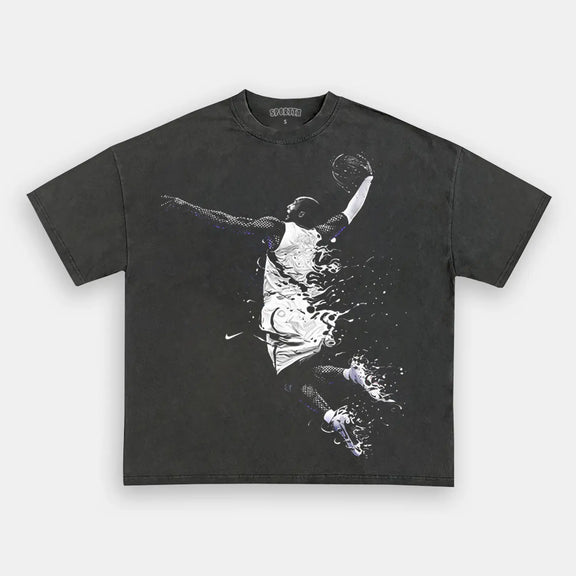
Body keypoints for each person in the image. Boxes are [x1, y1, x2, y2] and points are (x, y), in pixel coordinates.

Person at [161, 169, 381, 456]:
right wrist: (368, 180)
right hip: (307, 313)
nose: (288, 205)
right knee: (302, 372)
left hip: (281, 314)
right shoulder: (319, 234)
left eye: (293, 204)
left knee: (290, 380)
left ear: (301, 213)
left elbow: (231, 222)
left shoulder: (278, 228)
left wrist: (187, 206)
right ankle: (349, 376)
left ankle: (335, 413)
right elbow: (351, 211)